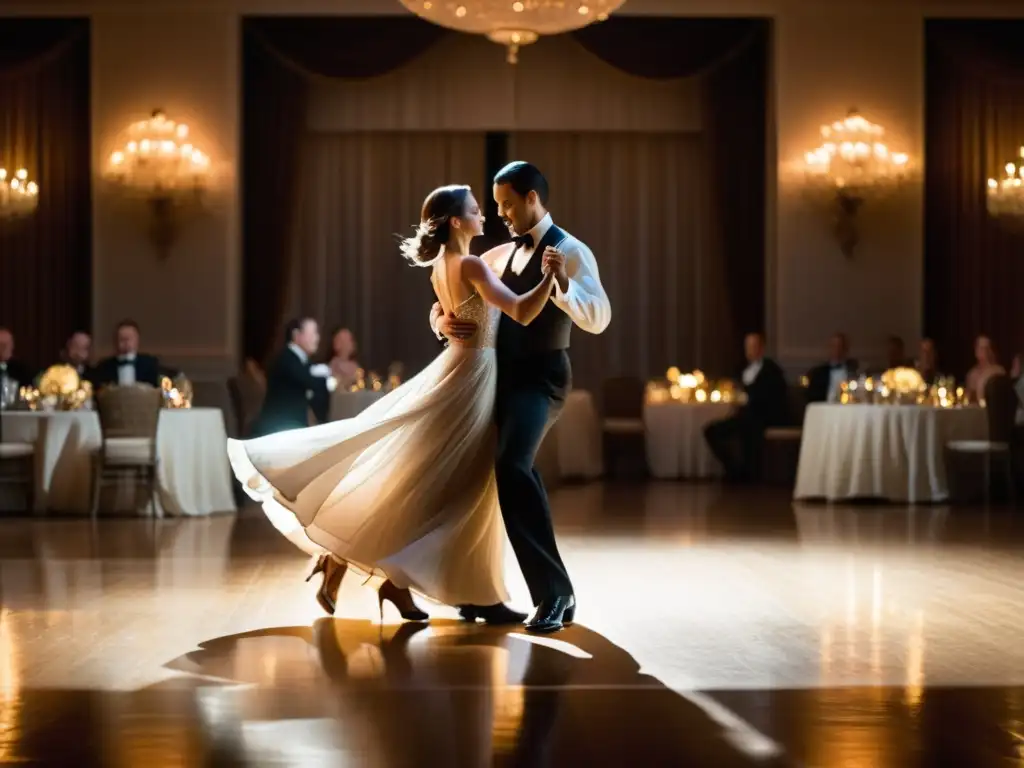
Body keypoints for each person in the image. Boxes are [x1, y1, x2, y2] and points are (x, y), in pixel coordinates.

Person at [228, 183, 565, 629]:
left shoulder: (448, 264)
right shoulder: (470, 264)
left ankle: (390, 576)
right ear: (456, 222)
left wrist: (438, 318)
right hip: (472, 379)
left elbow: (446, 304)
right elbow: (520, 311)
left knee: (426, 476)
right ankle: (427, 583)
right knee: (451, 483)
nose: (484, 214)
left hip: (461, 369)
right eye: (476, 209)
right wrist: (551, 278)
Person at [432, 162, 611, 632]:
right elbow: (449, 299)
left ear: (532, 198)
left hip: (543, 379)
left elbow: (599, 316)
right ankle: (478, 593)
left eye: (507, 204)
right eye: (493, 206)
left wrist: (564, 286)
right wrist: (440, 323)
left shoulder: (570, 250)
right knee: (482, 476)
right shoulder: (494, 256)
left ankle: (554, 595)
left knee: (513, 466)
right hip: (496, 379)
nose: (500, 215)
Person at [703, 332, 789, 483]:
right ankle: (734, 469)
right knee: (711, 430)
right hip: (743, 416)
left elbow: (774, 398)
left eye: (754, 346)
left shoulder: (772, 370)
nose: (750, 351)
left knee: (749, 430)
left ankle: (748, 475)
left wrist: (748, 397)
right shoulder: (740, 368)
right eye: (748, 347)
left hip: (765, 417)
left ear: (762, 348)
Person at [251, 317, 336, 438]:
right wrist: (330, 381)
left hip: (291, 428)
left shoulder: (303, 362)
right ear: (296, 335)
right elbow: (308, 381)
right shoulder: (287, 359)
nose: (317, 339)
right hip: (278, 430)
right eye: (312, 334)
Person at [92, 320, 161, 388]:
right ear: (115, 341)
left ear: (137, 340)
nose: (126, 342)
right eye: (122, 339)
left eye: (130, 338)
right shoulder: (104, 367)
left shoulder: (150, 364)